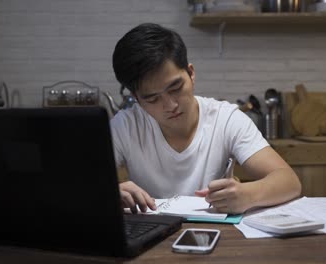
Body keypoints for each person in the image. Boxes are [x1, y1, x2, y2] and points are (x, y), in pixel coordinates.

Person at [110, 23, 301, 215]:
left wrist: (249, 195)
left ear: (191, 74)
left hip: (216, 234)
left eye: (175, 88)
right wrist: (109, 193)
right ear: (136, 98)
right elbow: (82, 185)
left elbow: (289, 181)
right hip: (149, 237)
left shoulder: (225, 119)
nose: (170, 105)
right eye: (152, 99)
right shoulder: (125, 125)